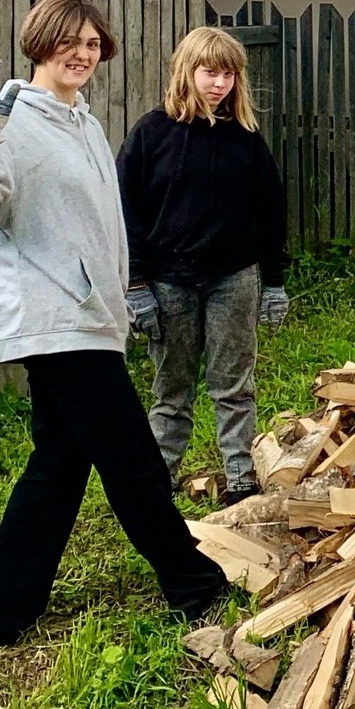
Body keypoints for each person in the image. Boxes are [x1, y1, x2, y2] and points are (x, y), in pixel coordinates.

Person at [0, 0, 228, 659]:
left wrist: (122, 302)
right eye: (69, 41)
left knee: (58, 468)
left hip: (90, 319)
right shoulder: (9, 120)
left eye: (93, 44)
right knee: (133, 459)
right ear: (39, 42)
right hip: (50, 318)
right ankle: (194, 584)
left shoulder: (84, 124)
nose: (82, 54)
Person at [116, 27, 289, 499]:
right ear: (186, 72)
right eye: (210, 72)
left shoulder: (246, 140)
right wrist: (135, 286)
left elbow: (271, 212)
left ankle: (241, 479)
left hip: (234, 278)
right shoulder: (151, 134)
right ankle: (158, 481)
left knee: (233, 384)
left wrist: (273, 283)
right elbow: (123, 212)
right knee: (171, 389)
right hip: (168, 283)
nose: (220, 84)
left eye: (229, 74)